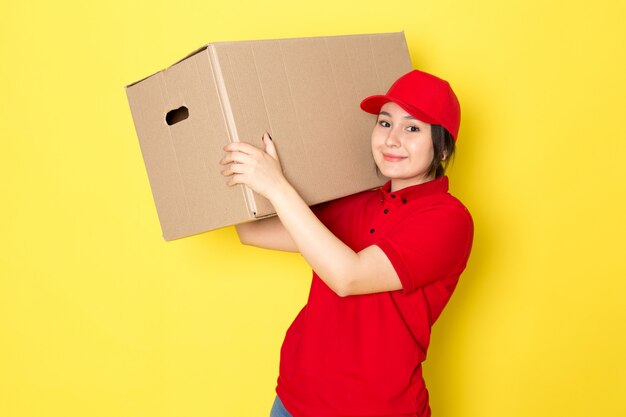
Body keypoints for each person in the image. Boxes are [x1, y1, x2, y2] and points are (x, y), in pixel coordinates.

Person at [220, 69, 474, 417]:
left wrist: (277, 186)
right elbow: (252, 232)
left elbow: (348, 277)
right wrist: (240, 165)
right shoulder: (358, 202)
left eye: (412, 128)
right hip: (294, 400)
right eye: (385, 123)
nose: (391, 139)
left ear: (443, 149)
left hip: (374, 410)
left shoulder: (447, 219)